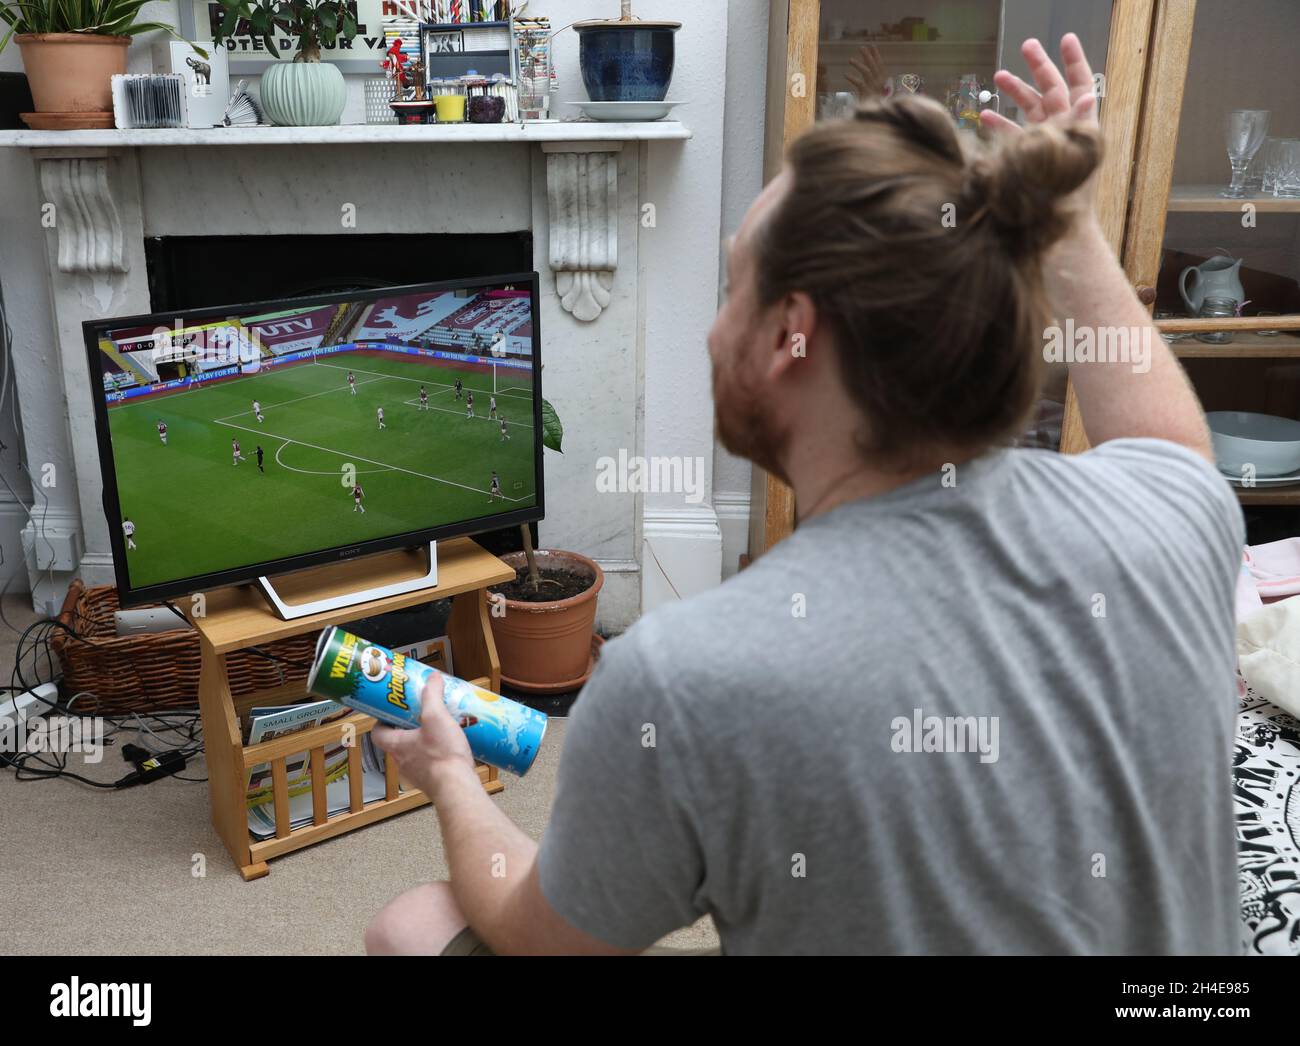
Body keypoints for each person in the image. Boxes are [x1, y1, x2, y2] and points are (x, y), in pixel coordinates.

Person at [365, 36, 1244, 957]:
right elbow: (1168, 441)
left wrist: (453, 775)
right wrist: (1068, 221)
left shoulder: (687, 678)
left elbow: (541, 938)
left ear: (792, 333)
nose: (711, 331)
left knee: (417, 926)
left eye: (734, 283)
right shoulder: (1177, 518)